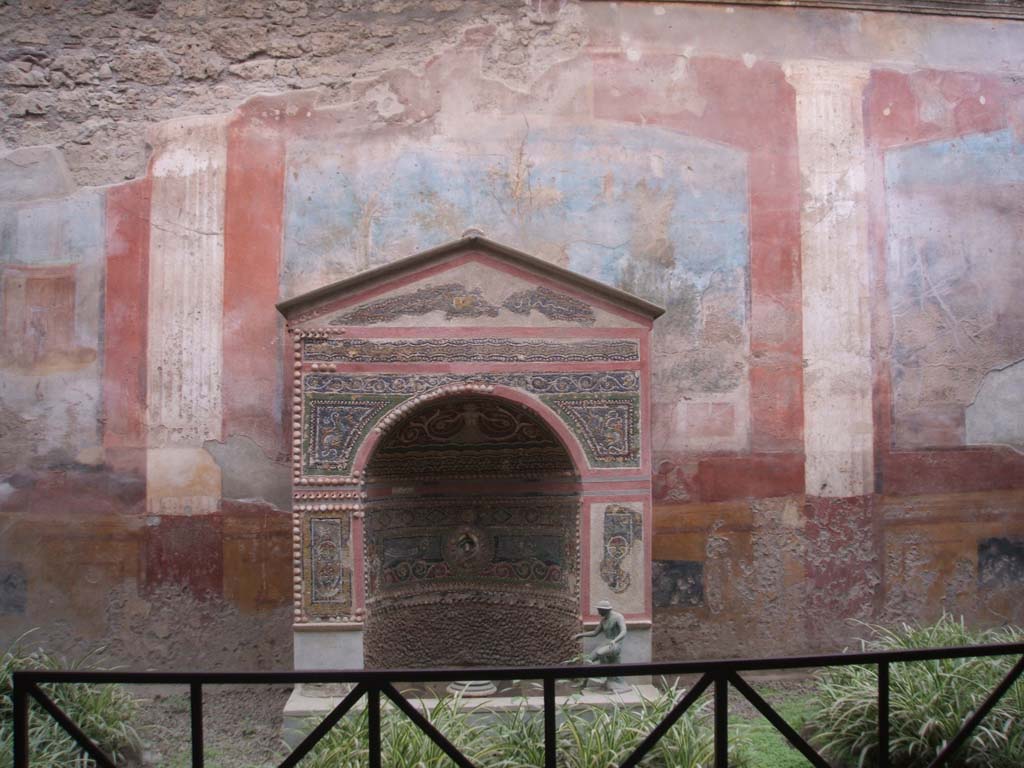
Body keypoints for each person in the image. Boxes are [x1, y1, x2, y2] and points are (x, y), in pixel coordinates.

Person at [573, 600, 628, 690]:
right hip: (606, 643)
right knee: (588, 660)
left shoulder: (618, 617)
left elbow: (624, 631)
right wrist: (580, 635)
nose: (598, 612)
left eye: (599, 610)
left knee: (600, 653)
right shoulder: (604, 620)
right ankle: (583, 683)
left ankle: (603, 674)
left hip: (615, 644)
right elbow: (595, 633)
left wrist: (615, 640)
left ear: (605, 610)